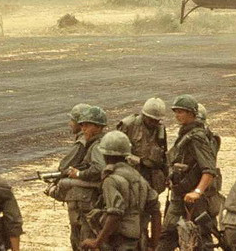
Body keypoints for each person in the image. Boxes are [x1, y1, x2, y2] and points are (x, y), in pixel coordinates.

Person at [80, 130, 161, 251]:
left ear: (104, 155)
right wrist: (153, 244)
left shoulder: (111, 180)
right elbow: (156, 212)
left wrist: (97, 242)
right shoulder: (139, 177)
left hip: (118, 242)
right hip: (139, 241)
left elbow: (115, 214)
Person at [158, 94, 219, 251]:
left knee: (201, 239)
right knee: (167, 237)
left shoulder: (197, 137)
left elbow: (209, 169)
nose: (177, 115)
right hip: (180, 195)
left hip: (193, 200)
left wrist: (197, 192)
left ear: (191, 113)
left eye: (181, 112)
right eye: (176, 112)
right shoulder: (186, 133)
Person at [67, 106, 108, 245]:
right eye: (82, 125)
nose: (83, 129)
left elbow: (99, 168)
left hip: (94, 199)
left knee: (86, 236)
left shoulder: (97, 146)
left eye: (87, 125)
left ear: (98, 127)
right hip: (99, 198)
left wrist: (79, 174)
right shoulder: (104, 142)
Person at [57, 103, 91, 251]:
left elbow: (64, 166)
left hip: (81, 197)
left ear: (81, 123)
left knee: (78, 237)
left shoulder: (82, 142)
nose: (70, 124)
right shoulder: (92, 139)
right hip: (87, 195)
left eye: (72, 120)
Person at [116, 97, 168, 194]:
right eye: (151, 120)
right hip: (132, 175)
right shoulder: (128, 125)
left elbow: (164, 155)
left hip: (152, 177)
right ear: (144, 115)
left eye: (156, 120)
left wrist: (167, 176)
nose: (153, 123)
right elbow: (115, 152)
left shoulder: (160, 129)